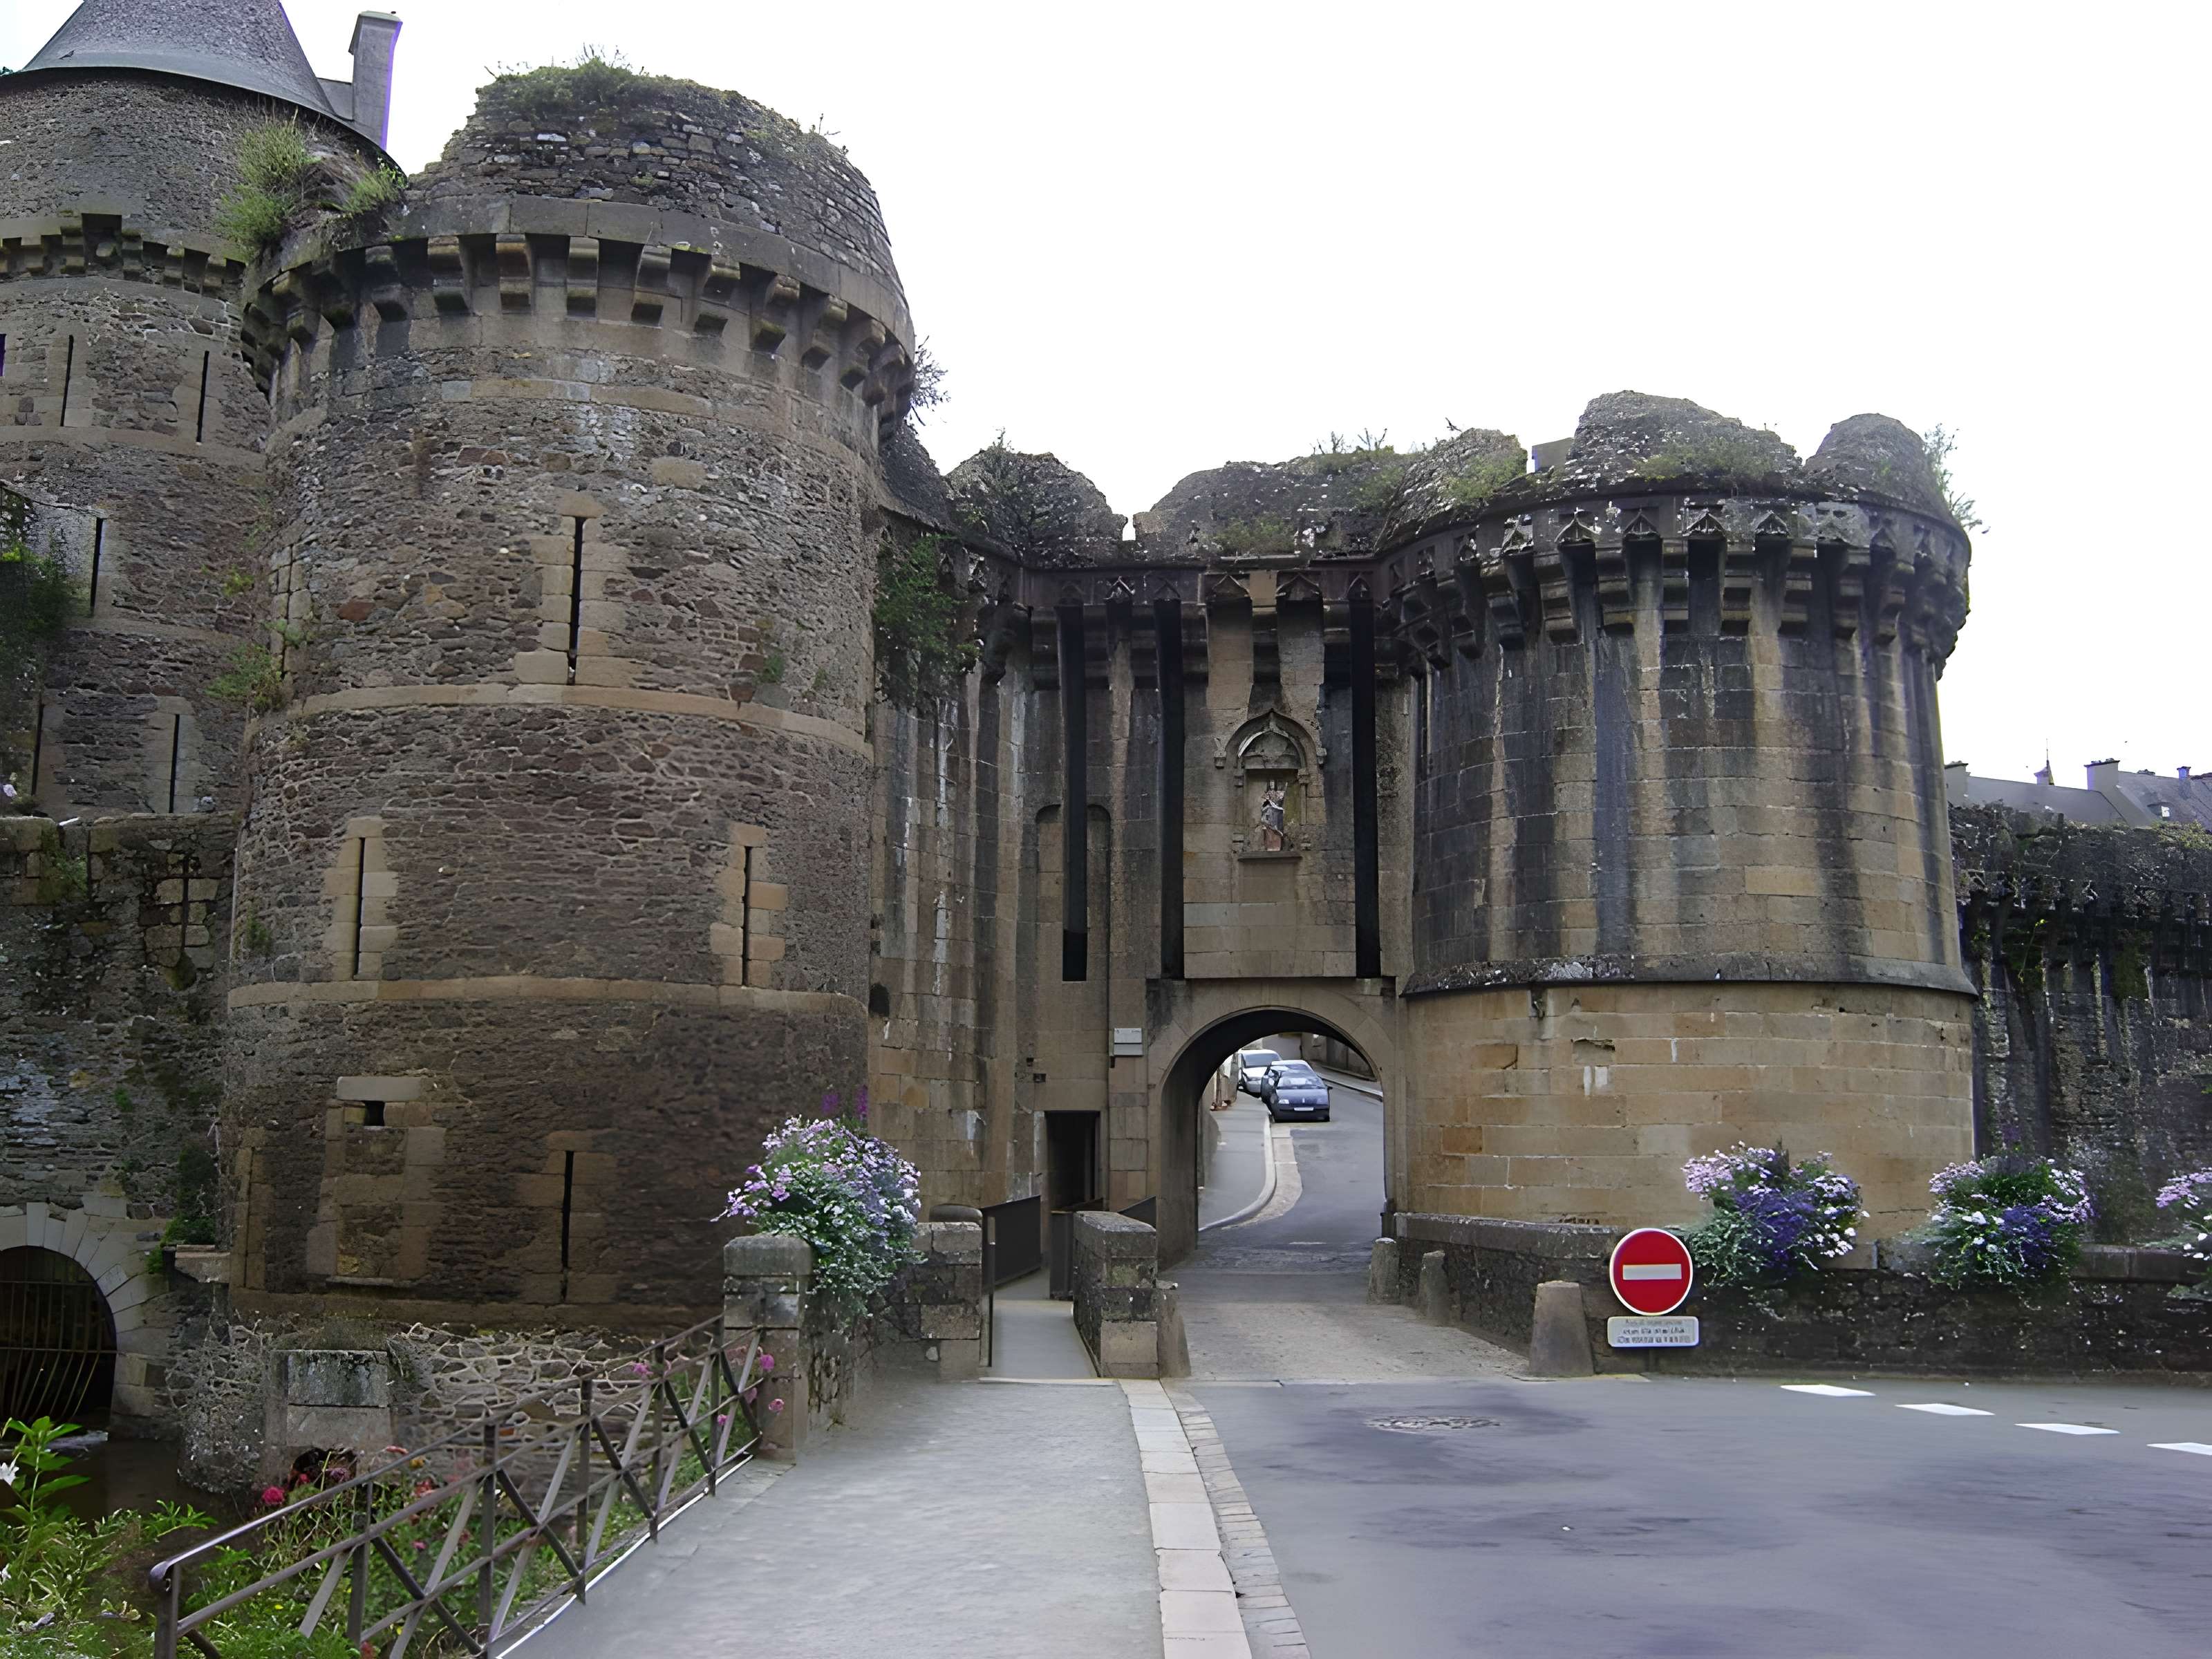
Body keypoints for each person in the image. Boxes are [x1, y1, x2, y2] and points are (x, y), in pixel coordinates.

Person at [1259, 781, 1288, 851]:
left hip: (1277, 815)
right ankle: (1270, 846)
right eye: (1271, 783)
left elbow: (1280, 801)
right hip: (1269, 814)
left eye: (1273, 783)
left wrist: (1284, 791)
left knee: (1277, 830)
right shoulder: (1267, 794)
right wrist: (1267, 803)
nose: (1272, 785)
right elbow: (1264, 804)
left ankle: (1277, 846)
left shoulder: (1278, 793)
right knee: (1269, 829)